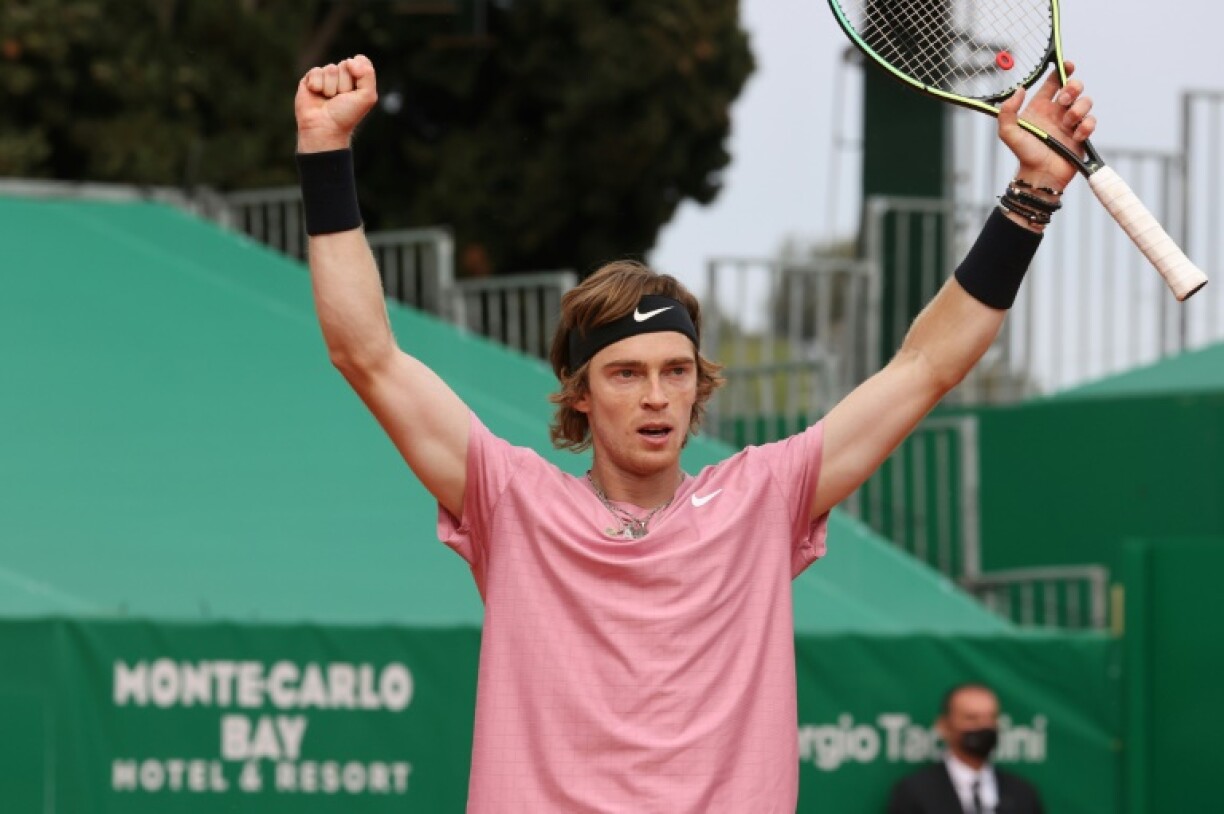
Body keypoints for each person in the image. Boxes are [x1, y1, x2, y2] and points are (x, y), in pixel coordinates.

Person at [293, 53, 1095, 813]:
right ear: (580, 397)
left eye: (676, 371)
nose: (656, 396)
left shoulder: (763, 497)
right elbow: (366, 356)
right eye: (625, 372)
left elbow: (924, 366)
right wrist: (326, 152)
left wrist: (1031, 194)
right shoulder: (511, 500)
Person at [886, 683, 1046, 814]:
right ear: (945, 726)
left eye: (991, 717)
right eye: (972, 718)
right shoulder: (915, 792)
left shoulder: (1021, 793)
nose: (984, 726)